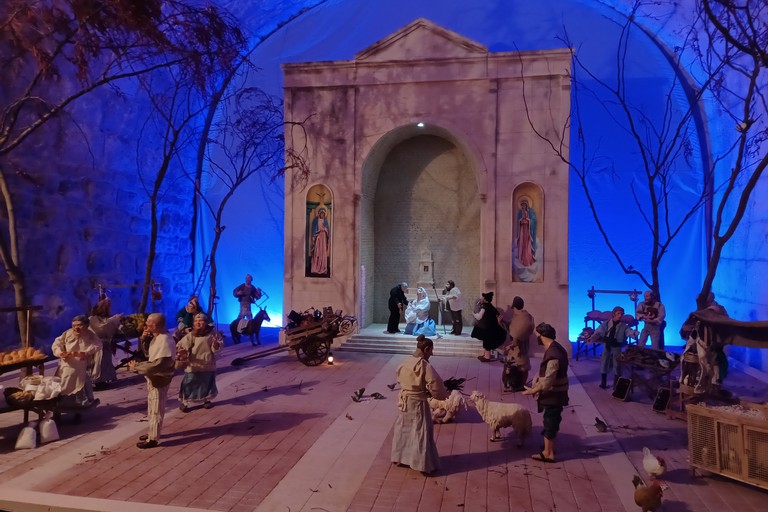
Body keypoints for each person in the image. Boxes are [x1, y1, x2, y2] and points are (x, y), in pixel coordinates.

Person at [391, 334, 449, 475]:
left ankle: (399, 457)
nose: (432, 354)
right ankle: (422, 464)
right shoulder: (424, 365)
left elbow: (399, 379)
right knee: (420, 431)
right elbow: (437, 386)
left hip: (405, 402)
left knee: (403, 429)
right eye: (431, 351)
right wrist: (440, 395)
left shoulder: (404, 362)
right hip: (417, 403)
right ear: (426, 349)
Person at [523, 323, 569, 464]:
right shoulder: (556, 348)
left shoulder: (553, 354)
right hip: (555, 394)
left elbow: (549, 379)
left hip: (553, 395)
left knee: (550, 421)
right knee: (550, 420)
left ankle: (548, 453)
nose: (536, 337)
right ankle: (548, 448)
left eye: (538, 335)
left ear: (543, 336)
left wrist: (534, 389)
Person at [129, 313, 176, 449]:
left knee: (156, 409)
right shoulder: (157, 337)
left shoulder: (166, 341)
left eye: (149, 323)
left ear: (155, 326)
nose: (146, 325)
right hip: (153, 378)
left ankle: (153, 438)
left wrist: (136, 367)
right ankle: (152, 431)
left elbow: (157, 364)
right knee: (151, 407)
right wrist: (144, 340)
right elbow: (149, 355)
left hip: (160, 379)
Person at [176, 313, 224, 412]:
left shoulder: (212, 334)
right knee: (189, 383)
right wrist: (182, 351)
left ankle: (206, 400)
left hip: (207, 363)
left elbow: (216, 348)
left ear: (206, 323)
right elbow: (182, 345)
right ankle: (185, 402)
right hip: (194, 364)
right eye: (196, 321)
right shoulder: (191, 335)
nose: (198, 323)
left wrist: (215, 344)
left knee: (206, 383)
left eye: (201, 321)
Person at [52, 315, 101, 408]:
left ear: (86, 325)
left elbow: (98, 344)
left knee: (82, 383)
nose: (76, 328)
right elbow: (56, 344)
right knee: (64, 384)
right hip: (67, 365)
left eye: (79, 325)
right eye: (74, 325)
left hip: (82, 365)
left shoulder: (90, 335)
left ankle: (82, 404)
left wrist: (86, 352)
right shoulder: (67, 334)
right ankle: (63, 404)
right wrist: (60, 353)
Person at [590, 306, 639, 389]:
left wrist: (634, 333)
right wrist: (593, 337)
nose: (620, 316)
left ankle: (616, 384)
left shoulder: (623, 326)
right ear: (614, 314)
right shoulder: (606, 323)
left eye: (621, 314)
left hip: (617, 346)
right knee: (604, 362)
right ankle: (603, 382)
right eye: (618, 314)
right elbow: (599, 331)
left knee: (617, 364)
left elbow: (628, 332)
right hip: (607, 345)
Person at [88, 298, 123, 388]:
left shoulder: (104, 318)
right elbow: (102, 327)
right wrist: (115, 319)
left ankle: (103, 380)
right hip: (96, 344)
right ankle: (98, 381)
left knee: (105, 362)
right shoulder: (92, 319)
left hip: (104, 344)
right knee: (98, 363)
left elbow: (107, 324)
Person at [502, 296, 535, 389]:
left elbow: (518, 335)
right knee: (510, 366)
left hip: (520, 349)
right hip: (515, 349)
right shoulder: (522, 317)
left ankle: (520, 385)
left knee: (522, 367)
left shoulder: (523, 318)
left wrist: (510, 346)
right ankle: (510, 384)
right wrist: (502, 322)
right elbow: (511, 327)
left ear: (515, 307)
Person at [472, 291, 507, 362]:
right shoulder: (492, 307)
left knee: (487, 343)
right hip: (490, 329)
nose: (481, 299)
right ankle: (485, 355)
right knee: (487, 342)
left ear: (485, 299)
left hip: (486, 329)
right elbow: (498, 315)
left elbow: (479, 317)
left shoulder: (484, 308)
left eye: (482, 297)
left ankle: (487, 357)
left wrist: (473, 313)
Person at [309, 207, 330, 275]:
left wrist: (325, 229)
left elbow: (328, 230)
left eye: (323, 214)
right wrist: (315, 234)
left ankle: (323, 267)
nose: (322, 215)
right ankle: (316, 267)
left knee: (322, 251)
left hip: (323, 237)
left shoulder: (325, 220)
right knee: (317, 251)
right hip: (318, 237)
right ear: (319, 213)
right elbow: (314, 229)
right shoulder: (315, 220)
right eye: (321, 213)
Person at [516, 200, 537, 267]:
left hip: (528, 231)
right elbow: (518, 221)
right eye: (522, 205)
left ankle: (528, 258)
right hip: (522, 230)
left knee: (528, 243)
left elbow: (534, 220)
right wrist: (521, 221)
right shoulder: (520, 212)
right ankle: (521, 258)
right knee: (522, 242)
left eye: (524, 205)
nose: (523, 206)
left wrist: (528, 220)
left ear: (527, 205)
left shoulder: (531, 212)